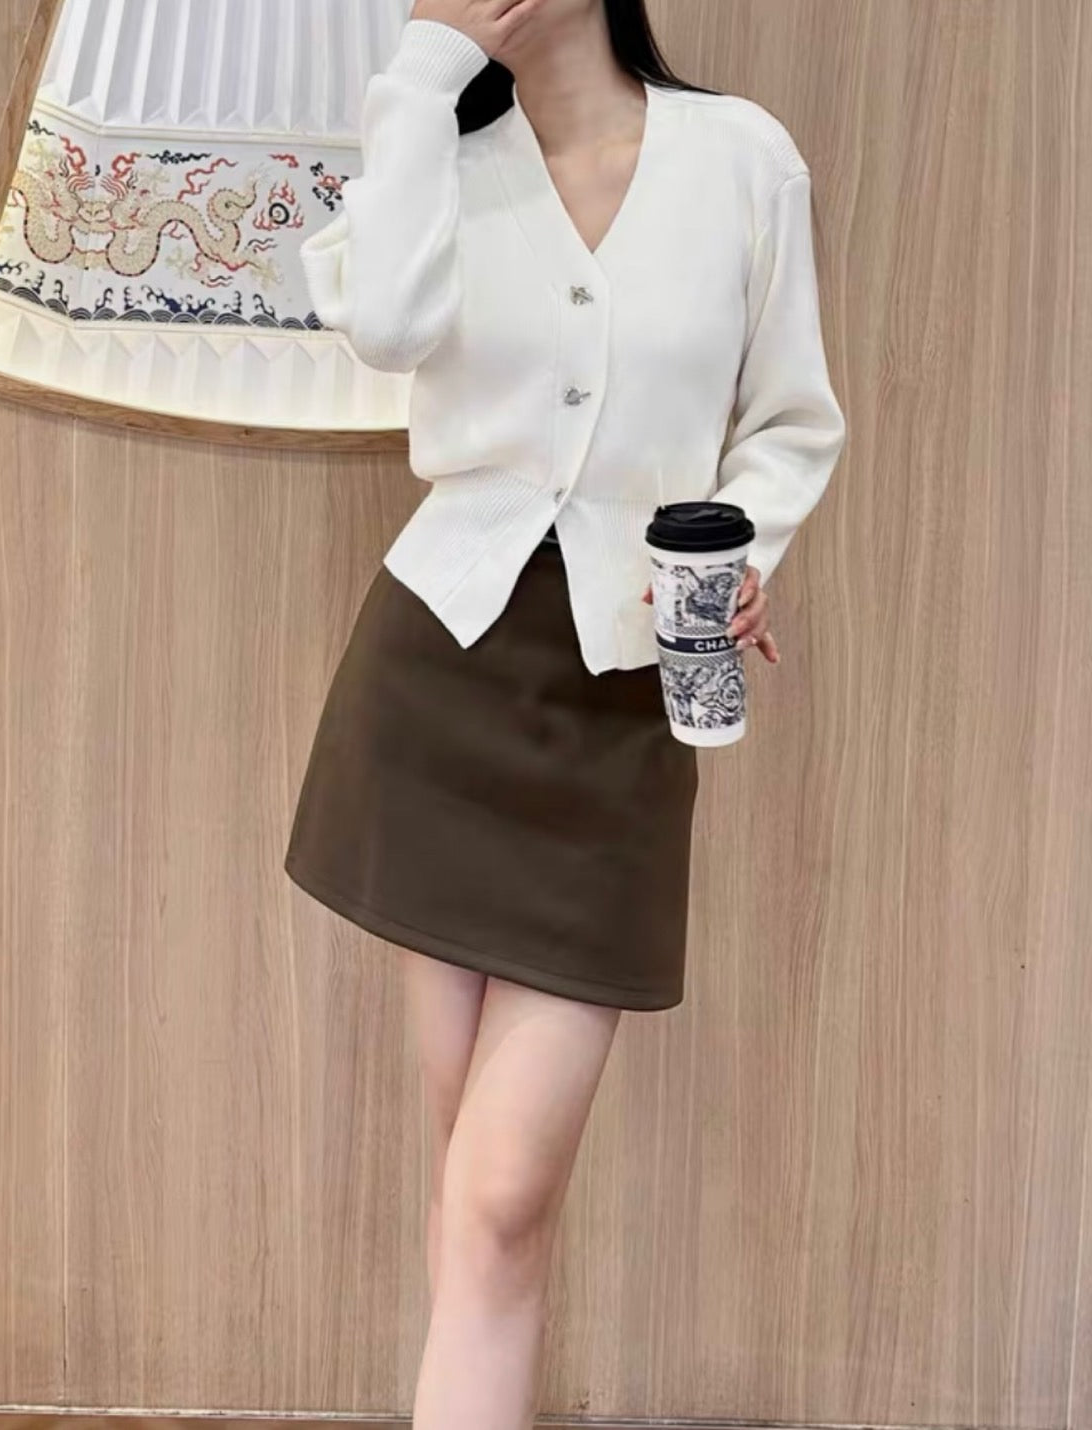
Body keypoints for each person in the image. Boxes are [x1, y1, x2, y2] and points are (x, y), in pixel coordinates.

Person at [284, 1, 846, 1424]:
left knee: (499, 1197)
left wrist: (741, 557)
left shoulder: (743, 160)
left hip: (623, 703)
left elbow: (789, 422)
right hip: (436, 683)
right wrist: (425, 72)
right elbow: (384, 325)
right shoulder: (438, 153)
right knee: (478, 1202)